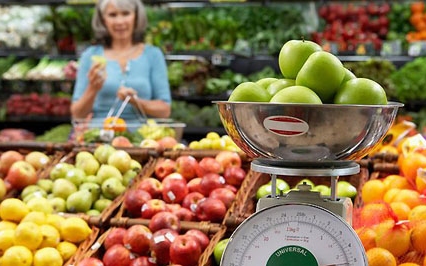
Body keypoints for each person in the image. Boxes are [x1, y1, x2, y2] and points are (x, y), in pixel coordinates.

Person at [71, 0, 171, 122]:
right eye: (112, 15)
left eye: (126, 13)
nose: (119, 21)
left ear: (136, 17)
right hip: (100, 135)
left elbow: (165, 110)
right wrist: (92, 88)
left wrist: (135, 101)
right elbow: (77, 114)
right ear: (103, 20)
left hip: (142, 137)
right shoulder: (90, 55)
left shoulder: (153, 55)